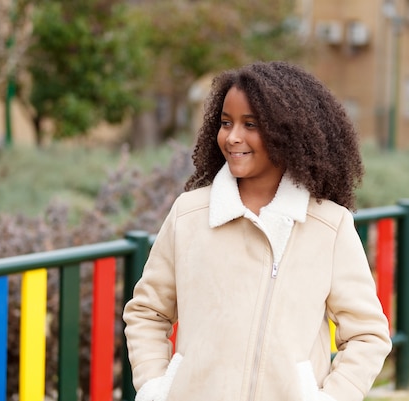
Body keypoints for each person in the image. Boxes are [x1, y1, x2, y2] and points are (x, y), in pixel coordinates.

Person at [123, 61, 392, 401]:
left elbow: (368, 335)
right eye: (225, 123)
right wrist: (155, 388)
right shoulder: (189, 215)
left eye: (250, 124)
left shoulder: (329, 226)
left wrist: (330, 397)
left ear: (289, 132)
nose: (233, 137)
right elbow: (148, 312)